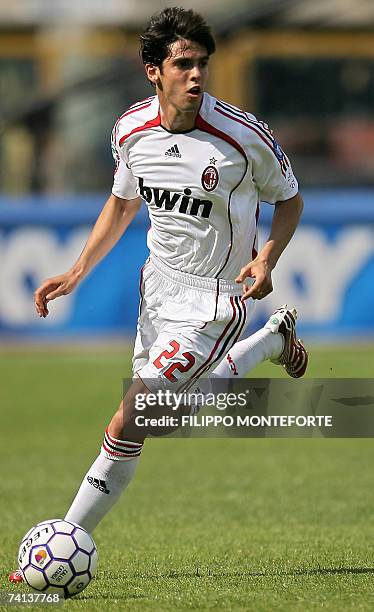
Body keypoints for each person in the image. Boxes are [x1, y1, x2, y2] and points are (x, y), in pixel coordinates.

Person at [10, 6, 307, 583]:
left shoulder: (243, 138)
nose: (196, 76)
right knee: (165, 417)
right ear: (154, 71)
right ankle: (270, 343)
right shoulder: (130, 131)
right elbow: (122, 202)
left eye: (202, 65)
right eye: (182, 64)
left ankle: (61, 546)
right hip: (157, 291)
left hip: (215, 299)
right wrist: (76, 272)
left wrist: (267, 256)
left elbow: (289, 198)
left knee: (133, 416)